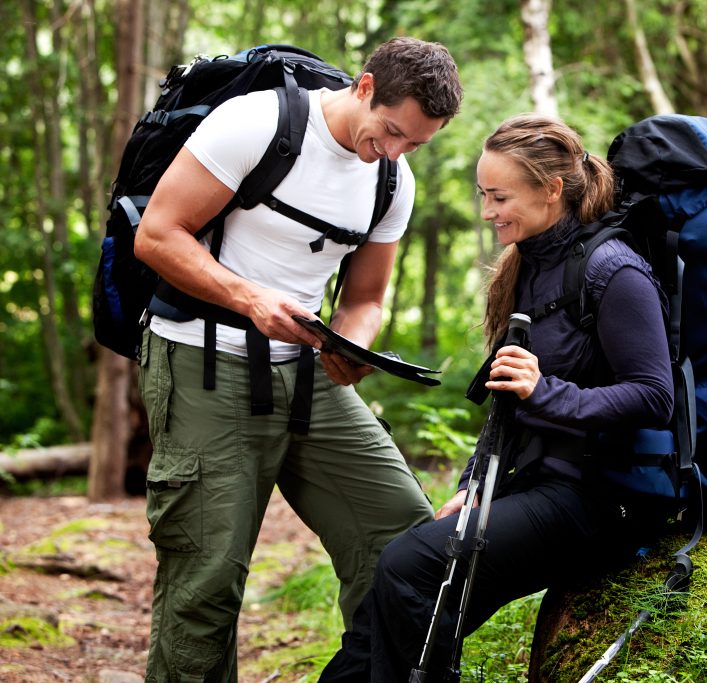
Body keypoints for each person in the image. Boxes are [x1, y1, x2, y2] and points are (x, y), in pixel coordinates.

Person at [133, 37, 463, 681]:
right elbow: (157, 235)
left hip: (307, 373)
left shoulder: (393, 179)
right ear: (364, 88)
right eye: (392, 132)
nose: (394, 151)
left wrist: (353, 342)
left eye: (416, 144)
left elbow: (366, 297)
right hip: (202, 359)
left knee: (403, 538)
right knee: (206, 576)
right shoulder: (256, 123)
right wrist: (249, 297)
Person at [318, 113, 675, 681]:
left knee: (409, 566)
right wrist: (471, 486)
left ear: (552, 189)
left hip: (603, 500)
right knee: (402, 603)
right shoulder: (529, 265)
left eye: (499, 196)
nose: (487, 212)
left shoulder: (613, 269)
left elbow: (656, 397)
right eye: (483, 194)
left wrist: (548, 391)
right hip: (536, 483)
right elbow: (507, 407)